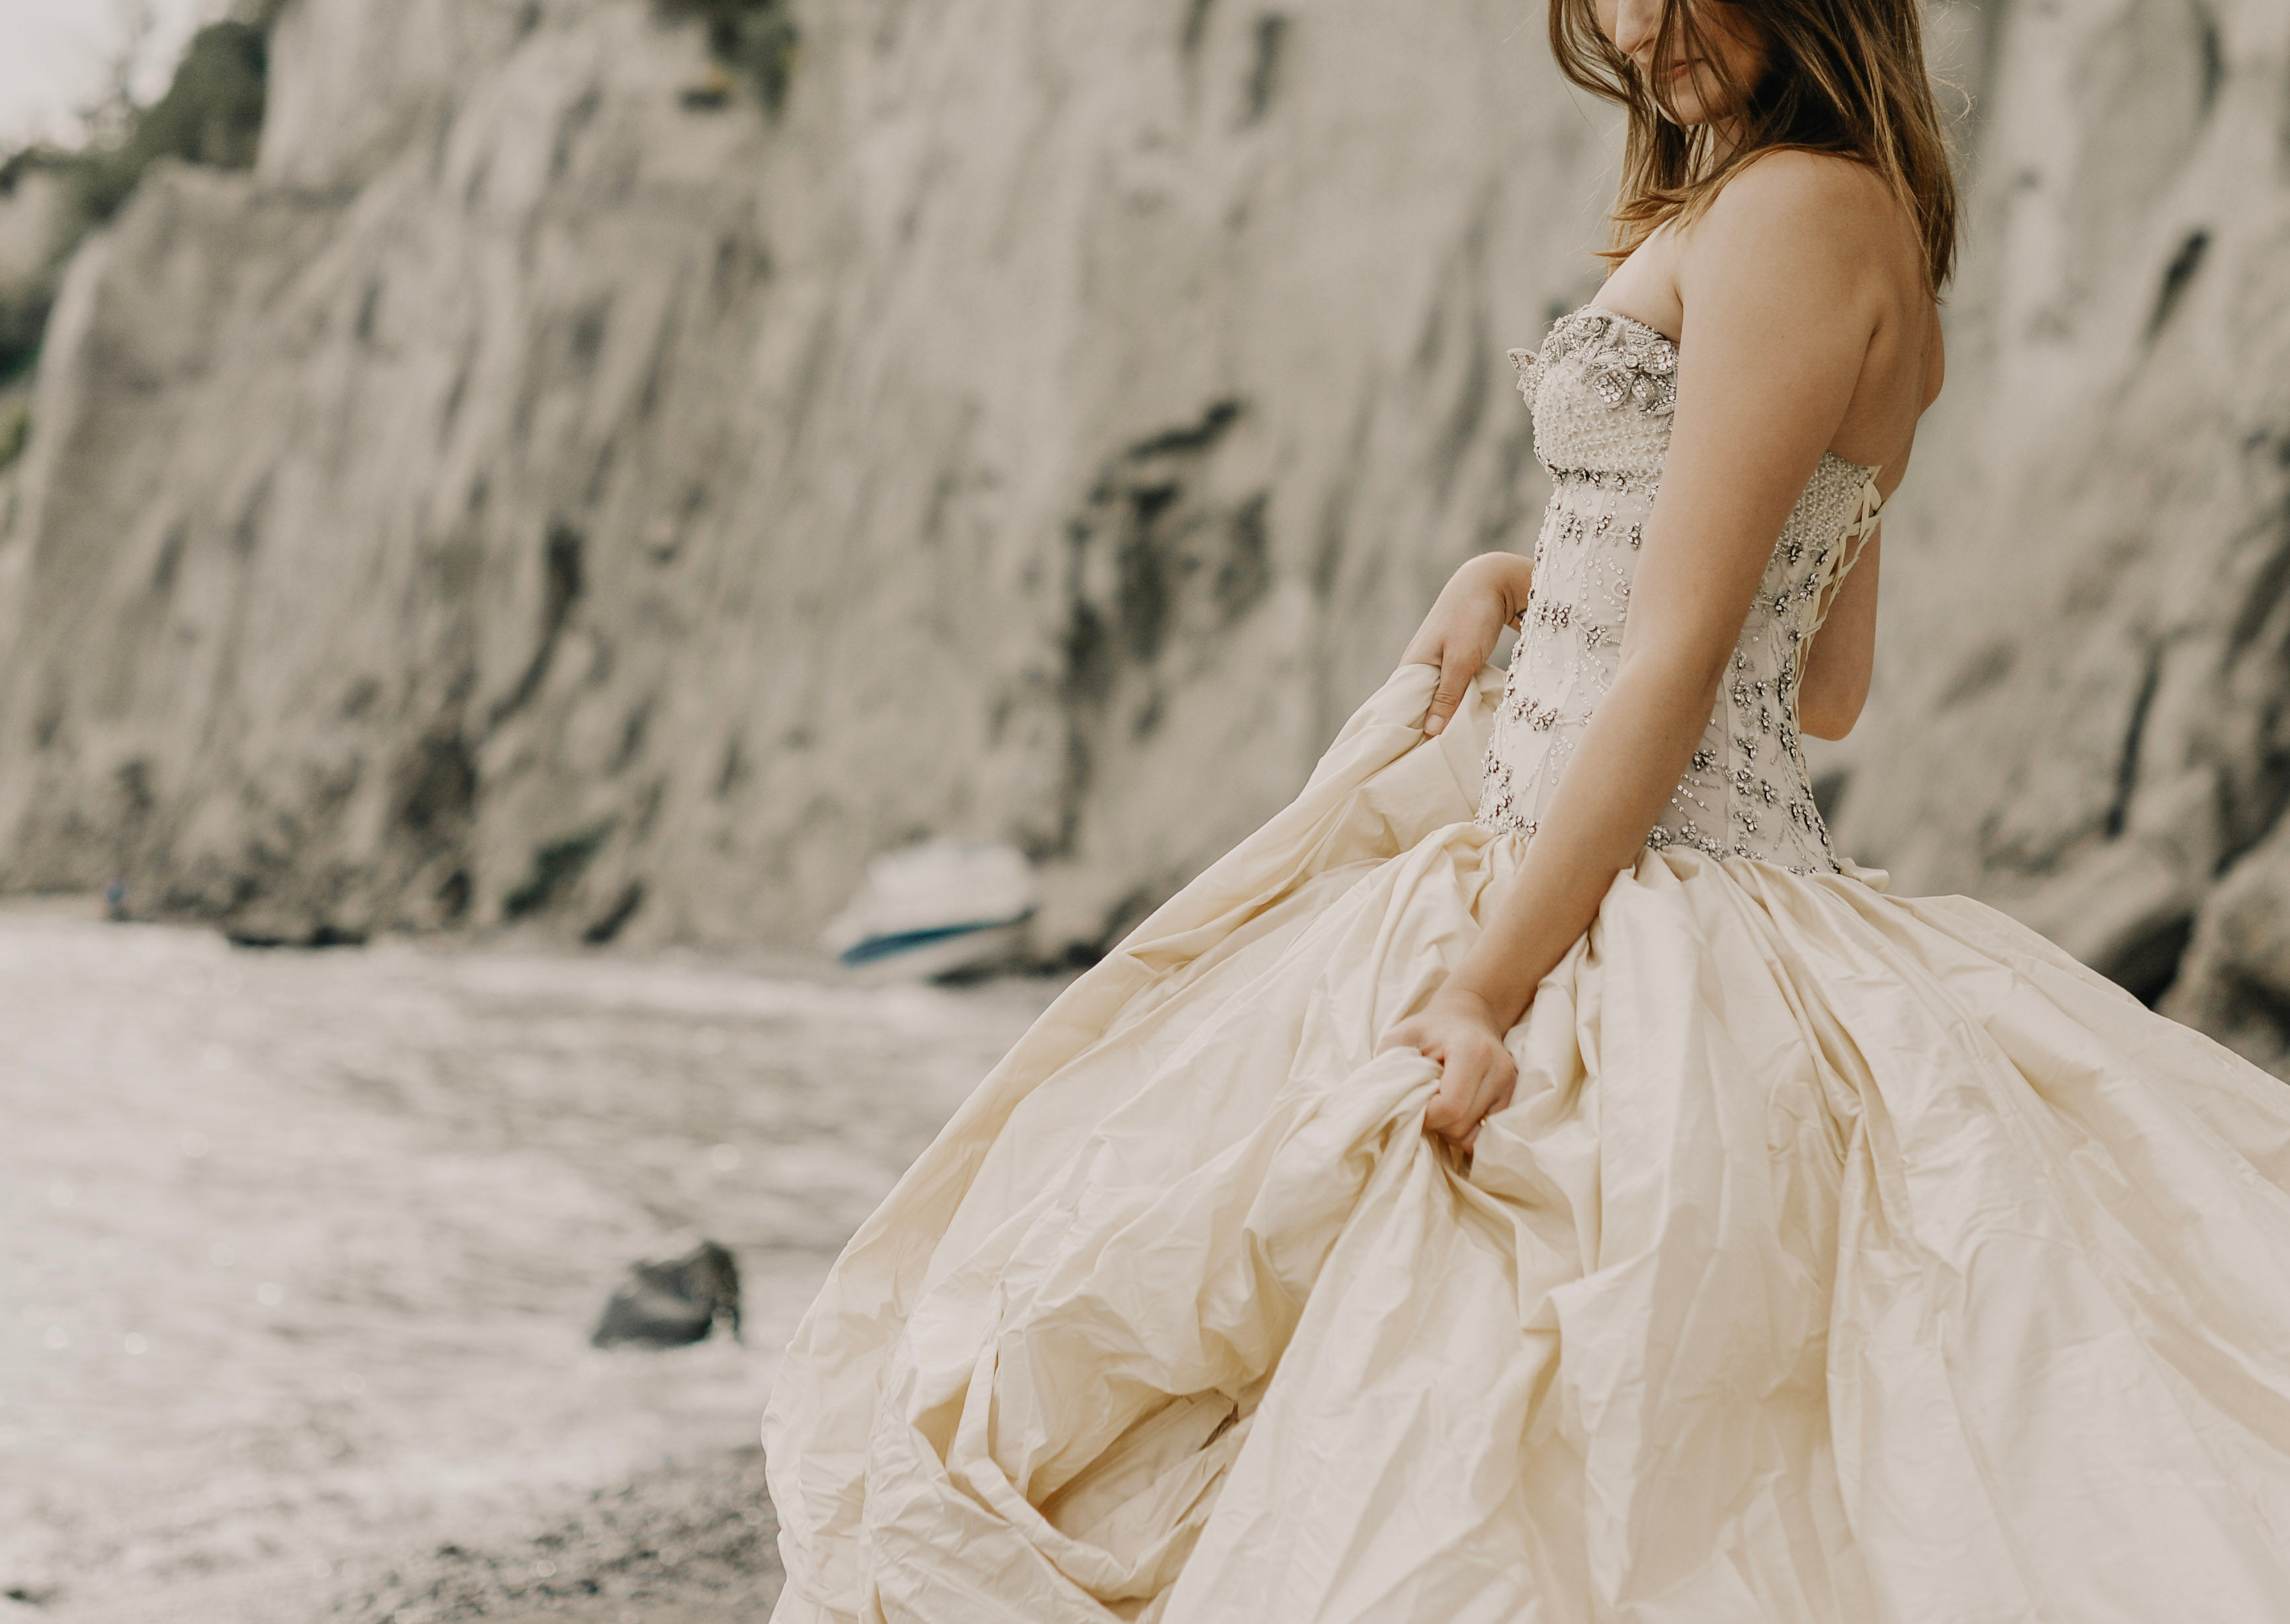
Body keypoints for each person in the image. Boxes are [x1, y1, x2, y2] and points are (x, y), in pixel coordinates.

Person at [764, 0, 2290, 1616]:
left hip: (1628, 889)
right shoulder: (1872, 228)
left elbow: (1687, 659)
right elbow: (1825, 682)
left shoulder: (1786, 209)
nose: (1636, 26)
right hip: (1664, 859)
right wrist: (1523, 577)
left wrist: (1485, 989)